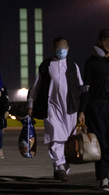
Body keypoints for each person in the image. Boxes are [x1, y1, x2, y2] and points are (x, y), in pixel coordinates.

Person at [28, 37, 83, 182]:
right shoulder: (46, 65)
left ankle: (62, 169)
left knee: (67, 141)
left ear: (68, 49)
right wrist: (30, 104)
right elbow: (36, 87)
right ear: (53, 49)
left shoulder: (73, 66)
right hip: (51, 107)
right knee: (54, 137)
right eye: (59, 48)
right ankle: (60, 167)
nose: (62, 51)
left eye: (64, 48)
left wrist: (82, 110)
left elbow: (81, 88)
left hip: (70, 109)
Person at [78, 29, 109, 190]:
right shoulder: (92, 61)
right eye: (107, 40)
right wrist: (82, 110)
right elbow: (86, 89)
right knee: (102, 143)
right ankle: (104, 177)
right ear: (101, 41)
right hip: (97, 108)